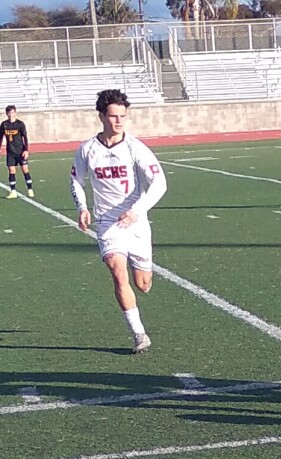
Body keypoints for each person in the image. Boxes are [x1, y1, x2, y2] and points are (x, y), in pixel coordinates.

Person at [70, 89, 168, 354]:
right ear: (102, 116)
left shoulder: (135, 147)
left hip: (136, 222)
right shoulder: (88, 149)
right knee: (117, 270)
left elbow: (159, 183)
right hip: (107, 222)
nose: (118, 121)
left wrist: (137, 210)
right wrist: (82, 208)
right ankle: (139, 334)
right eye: (113, 116)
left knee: (143, 284)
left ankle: (144, 271)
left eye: (122, 116)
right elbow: (76, 180)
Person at [0, 105, 34, 199]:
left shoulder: (20, 124)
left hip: (20, 151)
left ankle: (30, 189)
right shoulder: (4, 124)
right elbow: (0, 137)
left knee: (25, 169)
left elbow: (25, 137)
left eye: (12, 113)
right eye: (9, 113)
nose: (11, 115)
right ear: (6, 114)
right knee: (11, 170)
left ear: (15, 113)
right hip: (10, 151)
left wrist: (26, 150)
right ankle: (13, 191)